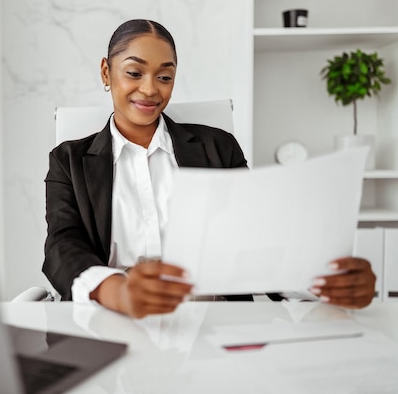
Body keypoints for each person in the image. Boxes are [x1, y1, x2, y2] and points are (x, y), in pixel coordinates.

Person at [43, 19, 376, 318]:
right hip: (113, 320)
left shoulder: (218, 148)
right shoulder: (68, 160)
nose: (149, 89)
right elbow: (62, 246)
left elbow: (258, 239)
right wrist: (117, 291)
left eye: (164, 76)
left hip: (214, 325)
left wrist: (321, 284)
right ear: (106, 72)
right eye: (134, 73)